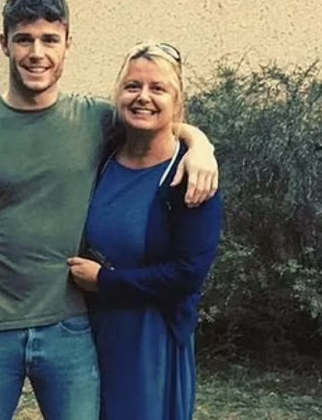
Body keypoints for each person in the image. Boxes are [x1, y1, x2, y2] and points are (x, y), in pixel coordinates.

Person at [0, 1, 218, 419]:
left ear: (67, 44)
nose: (37, 53)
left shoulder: (96, 120)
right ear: (4, 43)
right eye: (24, 39)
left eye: (50, 40)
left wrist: (200, 145)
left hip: (69, 328)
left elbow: (155, 117)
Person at [66, 41, 222, 419]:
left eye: (158, 88)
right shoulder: (101, 155)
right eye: (133, 86)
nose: (143, 97)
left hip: (151, 341)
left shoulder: (190, 175)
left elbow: (187, 274)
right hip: (87, 333)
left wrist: (105, 281)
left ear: (177, 101)